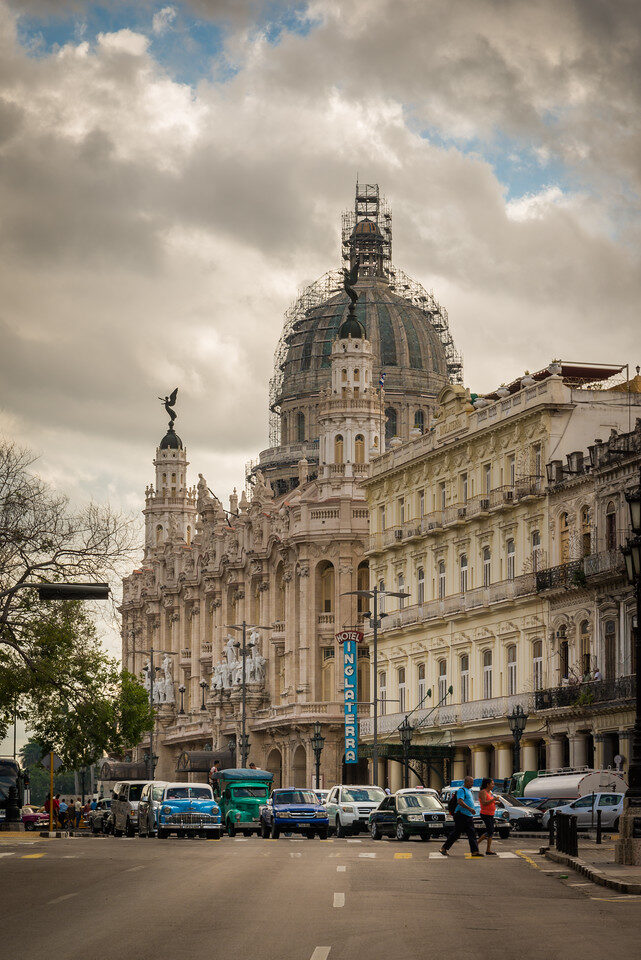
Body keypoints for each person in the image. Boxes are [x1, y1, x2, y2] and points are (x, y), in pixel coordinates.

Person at [440, 776, 482, 858]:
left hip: (468, 815)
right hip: (461, 815)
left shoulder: (469, 791)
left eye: (472, 782)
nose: (472, 784)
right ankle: (444, 848)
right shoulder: (461, 790)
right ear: (466, 782)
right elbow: (460, 801)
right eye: (471, 782)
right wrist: (470, 809)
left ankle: (475, 851)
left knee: (471, 833)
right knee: (457, 833)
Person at [477, 778, 497, 855]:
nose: (493, 785)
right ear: (487, 784)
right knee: (490, 831)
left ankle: (488, 849)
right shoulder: (483, 792)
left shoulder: (490, 792)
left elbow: (490, 802)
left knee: (491, 832)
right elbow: (484, 803)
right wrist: (493, 799)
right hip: (485, 814)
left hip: (491, 814)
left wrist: (495, 802)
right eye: (492, 784)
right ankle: (476, 843)